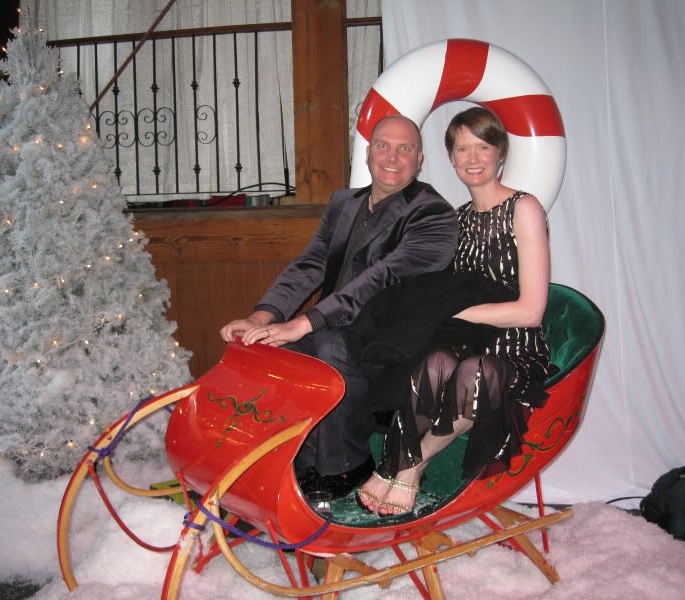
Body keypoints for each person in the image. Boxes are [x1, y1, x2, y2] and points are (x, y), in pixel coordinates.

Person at [220, 115, 458, 498]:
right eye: (383, 146)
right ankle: (297, 464)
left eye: (405, 149)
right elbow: (310, 264)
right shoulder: (343, 203)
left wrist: (305, 322)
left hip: (391, 345)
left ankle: (345, 466)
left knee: (329, 345)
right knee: (278, 347)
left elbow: (382, 278)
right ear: (367, 153)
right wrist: (261, 317)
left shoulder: (434, 214)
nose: (392, 157)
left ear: (419, 159)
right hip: (332, 329)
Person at [355, 107, 552, 515]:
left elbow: (531, 311)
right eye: (462, 149)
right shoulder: (455, 220)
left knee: (474, 372)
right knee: (437, 360)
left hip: (513, 347)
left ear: (501, 152)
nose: (473, 158)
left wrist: (459, 316)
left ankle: (407, 466)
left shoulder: (524, 208)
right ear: (450, 157)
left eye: (483, 147)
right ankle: (398, 462)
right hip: (464, 341)